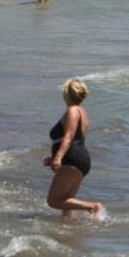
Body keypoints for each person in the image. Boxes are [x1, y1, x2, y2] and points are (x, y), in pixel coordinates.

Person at [44, 78, 101, 216]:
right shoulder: (82, 112)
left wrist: (58, 157)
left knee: (53, 201)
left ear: (66, 94)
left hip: (72, 159)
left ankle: (92, 207)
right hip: (80, 159)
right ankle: (69, 231)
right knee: (67, 201)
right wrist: (55, 156)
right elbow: (76, 138)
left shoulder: (72, 111)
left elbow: (68, 136)